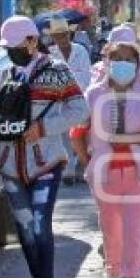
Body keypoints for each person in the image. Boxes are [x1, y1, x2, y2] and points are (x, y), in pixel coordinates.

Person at [0, 16, 89, 278]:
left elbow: (81, 109)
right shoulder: (7, 74)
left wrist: (45, 127)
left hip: (45, 162)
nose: (11, 52)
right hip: (10, 166)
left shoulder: (58, 72)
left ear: (33, 42)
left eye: (15, 46)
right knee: (23, 229)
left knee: (39, 225)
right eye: (7, 47)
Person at [71, 36, 140, 278]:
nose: (123, 64)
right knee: (111, 230)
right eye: (117, 59)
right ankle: (113, 273)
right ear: (107, 62)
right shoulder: (92, 95)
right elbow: (77, 133)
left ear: (138, 65)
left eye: (129, 59)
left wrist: (130, 140)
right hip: (103, 176)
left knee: (135, 232)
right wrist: (89, 160)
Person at [48, 17, 92, 187]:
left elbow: (85, 77)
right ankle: (68, 170)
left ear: (69, 34)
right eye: (58, 35)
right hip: (58, 101)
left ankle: (83, 168)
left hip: (80, 98)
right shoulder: (50, 54)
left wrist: (66, 81)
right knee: (64, 135)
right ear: (53, 37)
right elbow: (50, 79)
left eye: (64, 35)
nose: (62, 38)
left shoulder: (80, 51)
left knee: (82, 135)